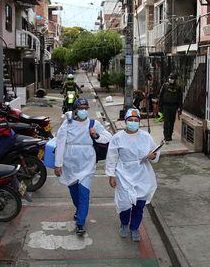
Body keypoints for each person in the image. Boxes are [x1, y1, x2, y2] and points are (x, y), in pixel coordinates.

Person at [54, 97, 112, 236]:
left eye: (86, 108)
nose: (83, 111)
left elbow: (109, 137)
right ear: (75, 110)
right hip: (70, 162)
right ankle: (79, 210)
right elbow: (60, 143)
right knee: (74, 192)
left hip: (87, 161)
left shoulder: (93, 123)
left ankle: (80, 222)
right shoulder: (67, 124)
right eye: (80, 109)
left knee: (84, 193)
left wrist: (96, 135)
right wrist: (58, 164)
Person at [105, 108, 160, 242]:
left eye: (136, 120)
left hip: (142, 173)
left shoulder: (146, 136)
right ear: (125, 121)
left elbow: (155, 153)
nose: (133, 122)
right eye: (130, 120)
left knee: (139, 204)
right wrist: (111, 176)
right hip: (124, 174)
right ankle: (124, 223)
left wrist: (153, 156)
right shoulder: (117, 138)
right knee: (124, 203)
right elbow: (111, 157)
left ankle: (134, 227)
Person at [158, 73, 182, 142]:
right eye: (170, 78)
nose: (171, 80)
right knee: (166, 121)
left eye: (172, 78)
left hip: (174, 106)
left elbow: (180, 98)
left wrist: (180, 108)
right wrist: (160, 107)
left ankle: (170, 135)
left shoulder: (178, 87)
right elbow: (161, 96)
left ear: (175, 79)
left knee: (172, 122)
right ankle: (166, 136)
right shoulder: (165, 85)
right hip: (166, 106)